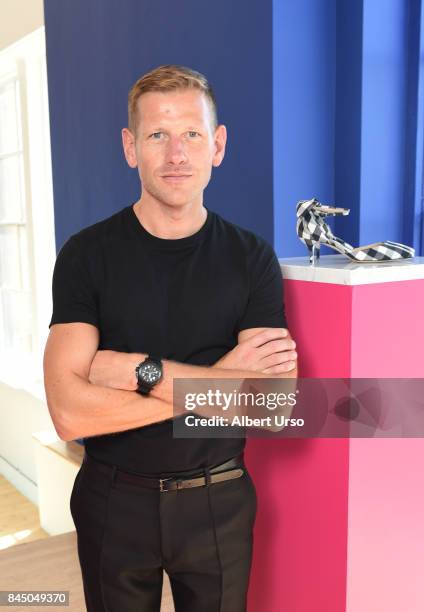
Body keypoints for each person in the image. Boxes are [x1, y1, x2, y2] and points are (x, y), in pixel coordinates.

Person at [43, 64, 298, 612]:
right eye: (158, 135)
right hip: (113, 499)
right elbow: (69, 414)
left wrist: (143, 373)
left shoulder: (251, 258)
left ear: (218, 145)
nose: (177, 154)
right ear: (130, 147)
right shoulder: (86, 255)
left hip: (219, 499)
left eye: (192, 134)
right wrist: (222, 379)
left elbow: (275, 408)